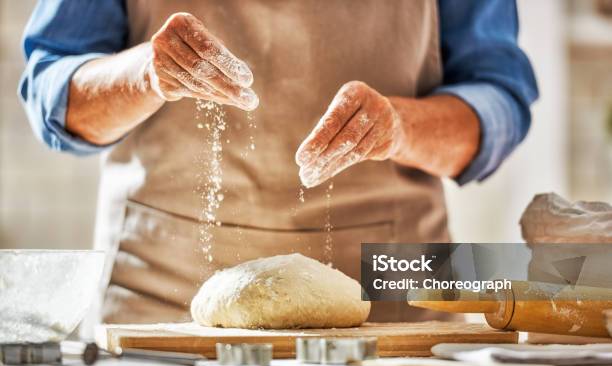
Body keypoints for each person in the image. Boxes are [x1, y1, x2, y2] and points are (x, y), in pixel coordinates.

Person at [20, 0, 537, 325]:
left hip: (393, 284)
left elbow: (498, 102)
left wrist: (401, 127)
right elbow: (51, 87)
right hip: (163, 290)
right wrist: (144, 75)